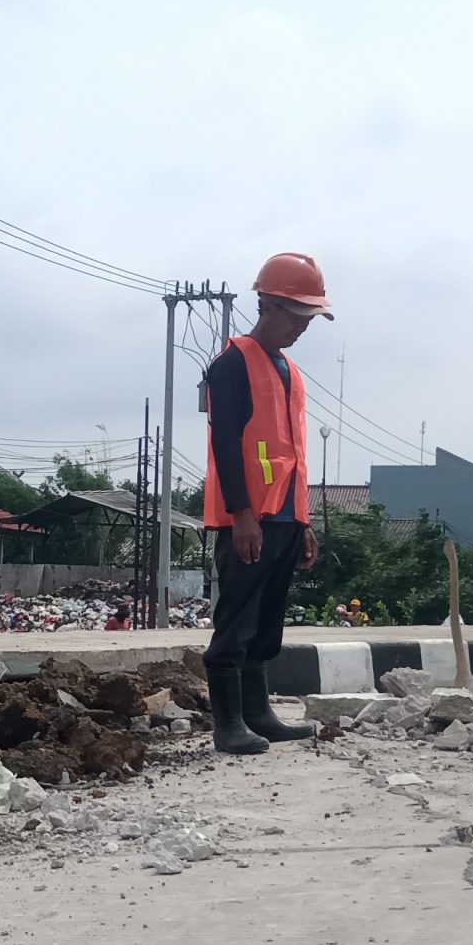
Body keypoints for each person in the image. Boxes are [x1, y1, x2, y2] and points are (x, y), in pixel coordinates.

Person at [200, 252, 330, 754]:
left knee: (268, 620)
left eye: (309, 318)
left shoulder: (291, 372)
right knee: (235, 619)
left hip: (286, 517)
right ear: (270, 304)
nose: (303, 327)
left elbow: (291, 451)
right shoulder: (232, 363)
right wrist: (243, 514)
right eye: (299, 315)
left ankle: (258, 713)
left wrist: (305, 521)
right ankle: (228, 724)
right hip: (248, 519)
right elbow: (227, 446)